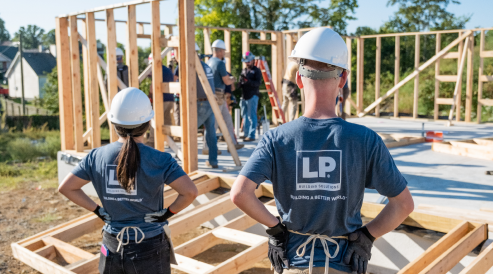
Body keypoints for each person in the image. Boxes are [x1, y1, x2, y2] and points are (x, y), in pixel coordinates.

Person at [230, 28, 414, 274]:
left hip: (293, 263)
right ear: (343, 79)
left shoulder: (276, 138)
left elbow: (240, 194)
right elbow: (403, 205)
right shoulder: (366, 140)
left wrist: (275, 229)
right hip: (342, 264)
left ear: (298, 79)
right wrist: (368, 236)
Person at [58, 87, 198, 274]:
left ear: (114, 123)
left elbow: (67, 187)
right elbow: (190, 192)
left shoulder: (96, 156)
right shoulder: (161, 160)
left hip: (112, 244)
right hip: (149, 245)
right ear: (148, 123)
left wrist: (98, 210)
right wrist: (166, 214)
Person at [174, 43, 220, 168]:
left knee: (189, 131)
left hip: (200, 103)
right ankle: (213, 161)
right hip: (210, 102)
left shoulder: (192, 66)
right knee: (210, 133)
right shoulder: (206, 65)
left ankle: (186, 159)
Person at [207, 39, 243, 150]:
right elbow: (227, 81)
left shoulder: (209, 62)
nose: (224, 53)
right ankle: (209, 148)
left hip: (213, 94)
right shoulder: (220, 63)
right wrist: (233, 79)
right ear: (220, 51)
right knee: (214, 123)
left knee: (227, 120)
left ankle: (232, 144)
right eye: (223, 51)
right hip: (218, 95)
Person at [146, 53, 175, 147]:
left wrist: (150, 94)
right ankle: (170, 140)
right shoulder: (167, 70)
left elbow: (153, 86)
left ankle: (151, 141)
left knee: (155, 120)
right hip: (171, 99)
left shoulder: (156, 69)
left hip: (161, 99)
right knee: (167, 120)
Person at [239, 52, 262, 141]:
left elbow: (258, 83)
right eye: (246, 62)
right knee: (244, 115)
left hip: (252, 96)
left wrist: (249, 82)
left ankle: (251, 135)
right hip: (244, 96)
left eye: (248, 61)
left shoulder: (256, 71)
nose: (247, 63)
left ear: (253, 60)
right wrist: (240, 84)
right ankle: (246, 134)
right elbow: (242, 81)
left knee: (251, 116)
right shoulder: (244, 70)